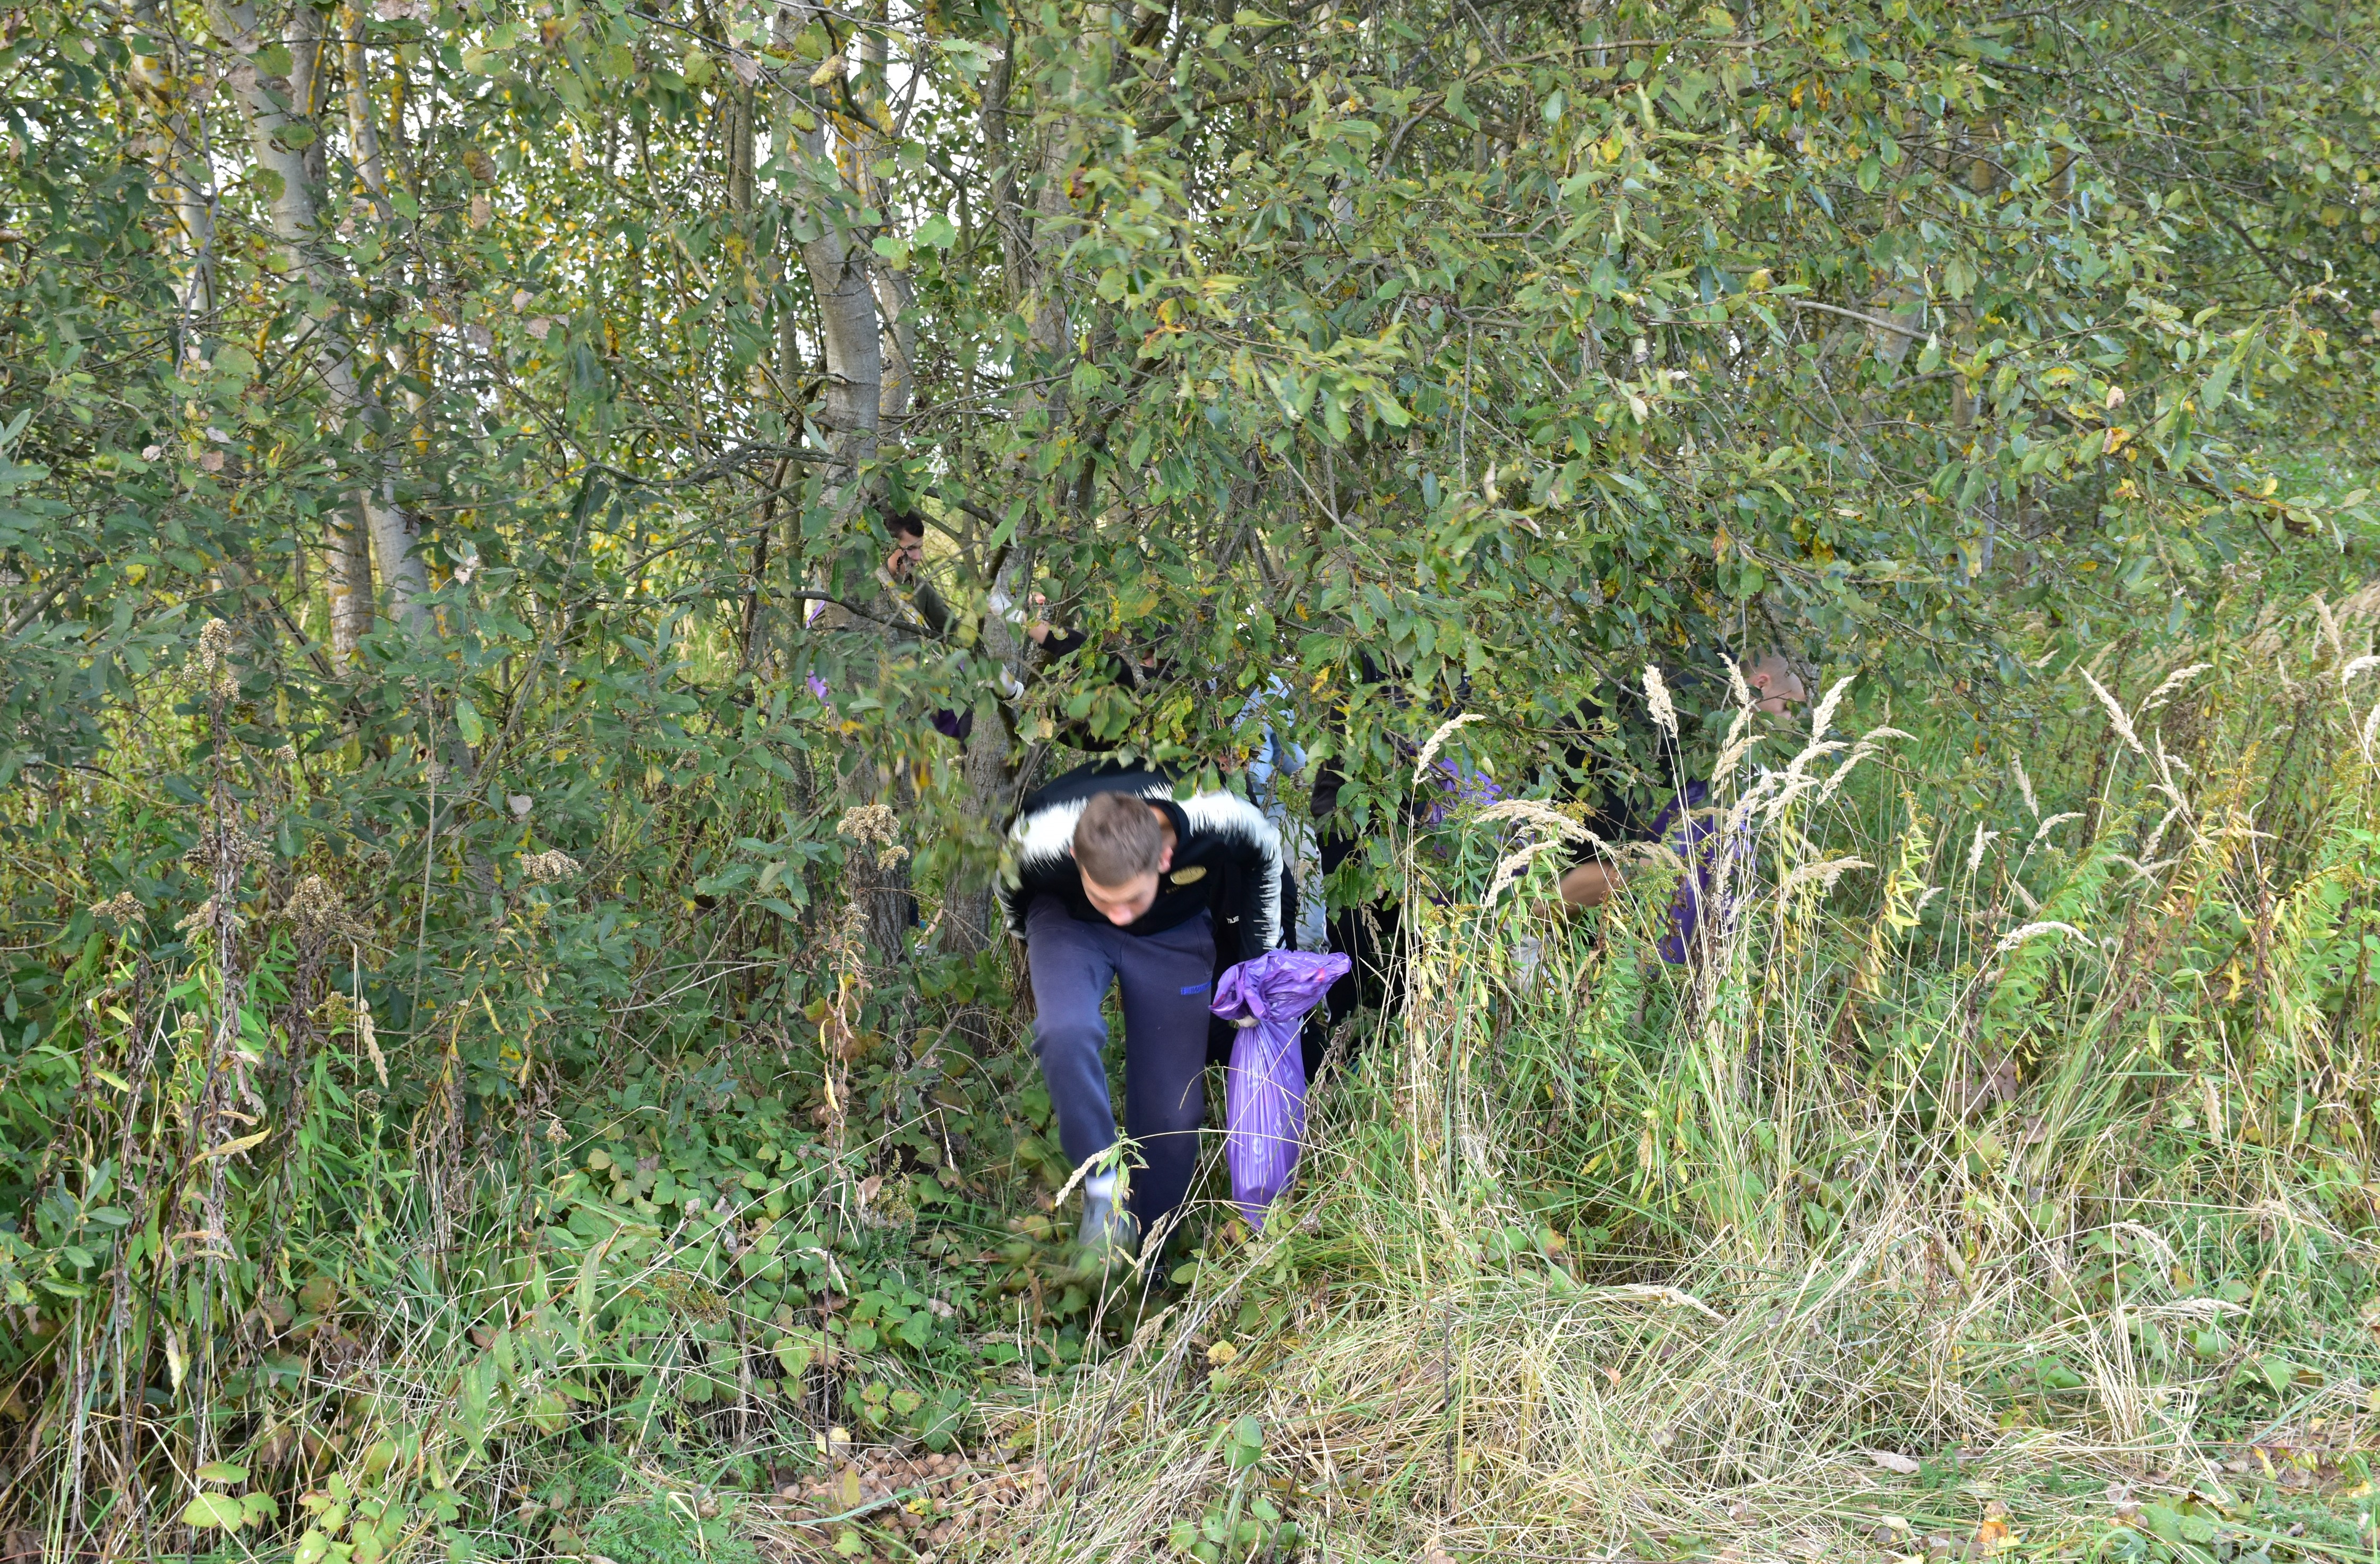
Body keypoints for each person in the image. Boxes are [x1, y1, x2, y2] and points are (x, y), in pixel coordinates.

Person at [999, 765, 1286, 1261]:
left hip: (1174, 928)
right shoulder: (1040, 839)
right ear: (1074, 857)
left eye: (1129, 899)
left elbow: (1267, 855)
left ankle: (1147, 1259)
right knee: (1066, 1027)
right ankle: (1103, 1186)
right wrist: (1056, 962)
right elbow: (1011, 894)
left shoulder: (1216, 814)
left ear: (1166, 856)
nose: (1120, 914)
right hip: (1068, 919)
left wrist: (1259, 964)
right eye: (1106, 897)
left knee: (1173, 1115)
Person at [1556, 652, 1807, 910]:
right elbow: (1642, 755)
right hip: (1578, 772)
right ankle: (1527, 924)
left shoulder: (1713, 684)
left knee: (1641, 867)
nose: (1787, 719)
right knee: (1637, 865)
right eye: (1788, 707)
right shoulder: (1694, 691)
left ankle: (1547, 929)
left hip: (1603, 776)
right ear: (1761, 683)